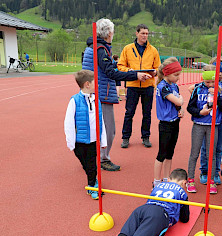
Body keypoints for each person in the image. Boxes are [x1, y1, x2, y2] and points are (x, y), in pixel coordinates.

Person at [82, 18, 150, 171]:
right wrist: (135, 76)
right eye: (112, 31)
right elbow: (110, 73)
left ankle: (91, 157)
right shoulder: (100, 49)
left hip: (93, 93)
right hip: (101, 94)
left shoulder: (94, 47)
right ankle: (103, 159)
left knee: (93, 128)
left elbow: (104, 67)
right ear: (109, 33)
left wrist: (128, 70)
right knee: (109, 130)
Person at [188, 57, 222, 185]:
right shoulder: (201, 86)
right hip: (204, 121)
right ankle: (204, 171)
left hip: (220, 121)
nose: (219, 73)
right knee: (204, 149)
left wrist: (219, 97)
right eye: (217, 70)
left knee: (218, 148)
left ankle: (215, 173)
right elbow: (192, 91)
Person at [64, 70, 107, 200]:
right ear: (87, 84)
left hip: (94, 141)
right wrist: (71, 142)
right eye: (95, 82)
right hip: (80, 141)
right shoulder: (74, 101)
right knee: (86, 164)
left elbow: (101, 121)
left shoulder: (96, 100)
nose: (97, 84)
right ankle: (93, 179)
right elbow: (69, 122)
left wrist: (103, 140)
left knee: (91, 164)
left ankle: (92, 186)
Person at [118, 24, 161, 148]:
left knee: (147, 113)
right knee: (129, 112)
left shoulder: (153, 50)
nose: (145, 36)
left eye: (147, 33)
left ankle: (145, 137)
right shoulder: (127, 49)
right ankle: (125, 137)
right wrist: (133, 73)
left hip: (148, 85)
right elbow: (120, 66)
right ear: (136, 33)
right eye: (142, 33)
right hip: (133, 85)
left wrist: (155, 72)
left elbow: (158, 67)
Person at [153, 58, 184, 187]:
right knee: (162, 153)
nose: (178, 78)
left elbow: (177, 104)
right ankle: (156, 181)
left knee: (170, 153)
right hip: (165, 124)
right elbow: (178, 100)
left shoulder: (174, 86)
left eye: (179, 75)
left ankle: (166, 179)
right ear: (166, 74)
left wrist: (180, 109)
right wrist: (180, 101)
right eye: (175, 75)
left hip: (175, 122)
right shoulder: (163, 87)